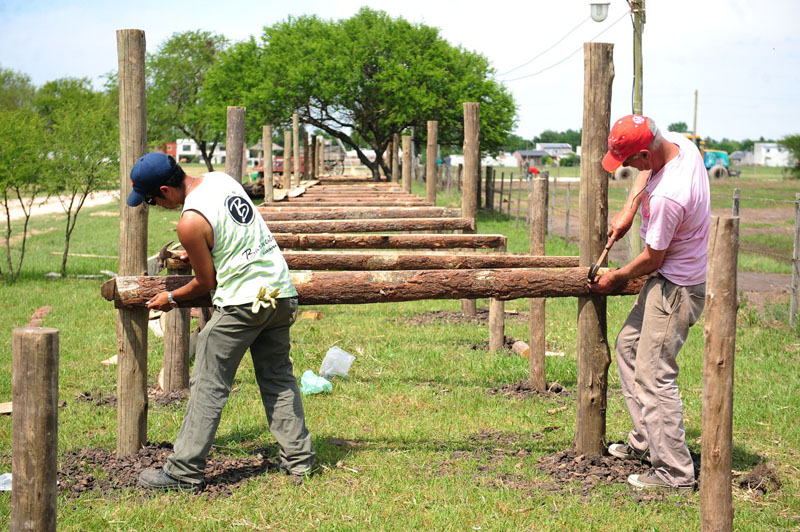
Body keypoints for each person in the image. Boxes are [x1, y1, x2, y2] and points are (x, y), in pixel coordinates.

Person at [128, 153, 314, 492]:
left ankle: (183, 472)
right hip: (279, 294)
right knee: (278, 377)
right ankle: (300, 461)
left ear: (166, 190)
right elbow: (232, 235)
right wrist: (201, 250)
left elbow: (205, 283)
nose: (155, 205)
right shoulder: (220, 180)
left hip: (244, 303)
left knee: (208, 384)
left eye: (152, 200)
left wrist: (170, 299)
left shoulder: (188, 223)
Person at [589, 115, 709, 491]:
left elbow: (652, 259)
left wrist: (617, 277)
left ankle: (675, 473)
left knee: (654, 376)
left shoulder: (669, 197)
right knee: (627, 346)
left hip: (675, 288)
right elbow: (646, 173)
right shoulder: (678, 145)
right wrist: (628, 211)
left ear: (644, 151)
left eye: (628, 161)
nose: (626, 168)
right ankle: (647, 441)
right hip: (667, 281)